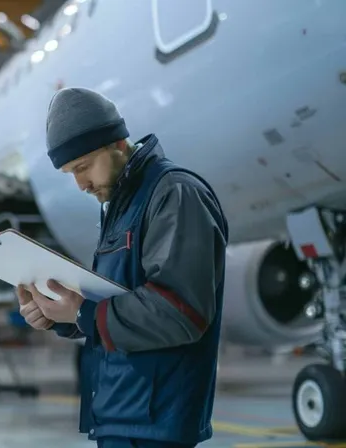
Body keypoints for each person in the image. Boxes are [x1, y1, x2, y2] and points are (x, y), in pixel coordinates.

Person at [16, 87, 229, 448]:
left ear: (116, 144)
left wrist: (83, 313)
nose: (80, 184)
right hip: (120, 415)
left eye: (82, 167)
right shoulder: (120, 208)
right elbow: (116, 302)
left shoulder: (174, 194)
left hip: (156, 422)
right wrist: (60, 316)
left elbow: (181, 312)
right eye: (71, 172)